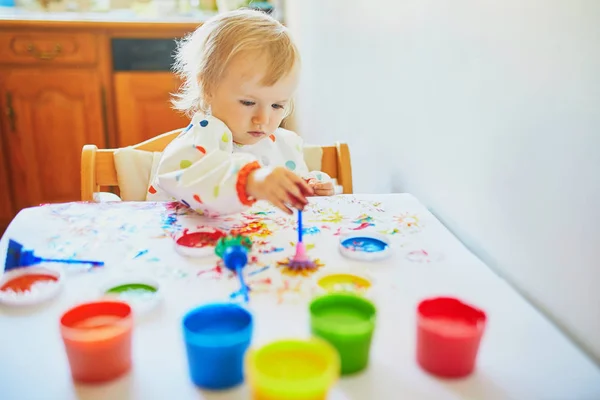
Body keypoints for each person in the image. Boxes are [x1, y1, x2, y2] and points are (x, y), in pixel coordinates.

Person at [146, 9, 334, 215]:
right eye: (247, 102)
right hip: (194, 243)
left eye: (277, 106)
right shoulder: (200, 140)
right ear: (207, 87)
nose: (262, 119)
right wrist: (250, 180)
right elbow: (191, 178)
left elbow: (290, 192)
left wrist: (309, 186)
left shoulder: (284, 144)